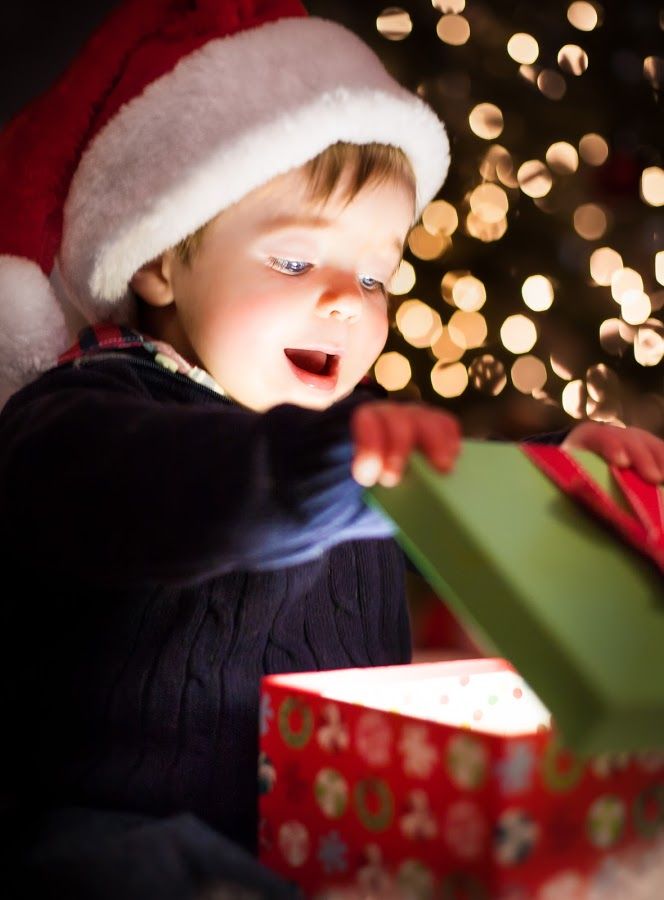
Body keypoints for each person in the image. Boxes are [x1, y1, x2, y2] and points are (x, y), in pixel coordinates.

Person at [0, 1, 662, 897]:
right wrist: (320, 471)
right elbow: (183, 487)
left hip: (333, 818)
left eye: (377, 273)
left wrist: (566, 466)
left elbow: (452, 489)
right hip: (118, 822)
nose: (350, 301)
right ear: (159, 259)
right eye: (294, 262)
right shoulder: (85, 415)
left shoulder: (356, 434)